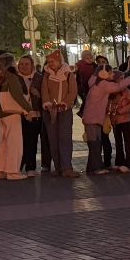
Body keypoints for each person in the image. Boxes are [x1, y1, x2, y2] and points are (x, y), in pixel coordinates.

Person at [0, 53, 31, 180]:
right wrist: (29, 109)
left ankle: (0, 170)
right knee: (14, 143)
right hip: (12, 113)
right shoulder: (12, 77)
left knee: (3, 143)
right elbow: (17, 96)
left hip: (1, 113)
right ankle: (13, 171)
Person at [41, 49, 78, 178]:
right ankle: (57, 167)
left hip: (64, 110)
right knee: (53, 139)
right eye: (49, 61)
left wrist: (65, 104)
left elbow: (72, 92)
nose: (51, 64)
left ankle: (66, 167)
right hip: (50, 111)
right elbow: (44, 91)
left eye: (53, 61)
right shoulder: (46, 75)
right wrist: (47, 103)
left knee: (65, 138)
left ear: (59, 61)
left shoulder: (68, 74)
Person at [81, 68, 126, 174]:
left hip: (94, 118)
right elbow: (118, 86)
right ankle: (95, 168)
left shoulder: (96, 83)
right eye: (110, 72)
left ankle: (92, 167)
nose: (112, 74)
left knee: (95, 142)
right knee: (94, 143)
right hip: (93, 118)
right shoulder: (102, 84)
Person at [16, 55, 46, 175]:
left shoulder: (39, 78)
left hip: (36, 113)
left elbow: (46, 94)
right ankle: (24, 166)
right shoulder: (15, 78)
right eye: (21, 64)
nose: (24, 66)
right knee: (24, 142)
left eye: (26, 64)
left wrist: (38, 95)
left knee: (35, 141)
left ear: (32, 65)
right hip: (21, 114)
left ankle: (36, 166)